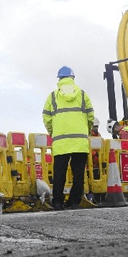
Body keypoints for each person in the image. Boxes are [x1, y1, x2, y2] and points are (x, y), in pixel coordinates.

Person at [43, 66, 94, 210]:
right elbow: (91, 116)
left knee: (59, 173)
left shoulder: (53, 96)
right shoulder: (83, 95)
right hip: (79, 141)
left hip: (61, 142)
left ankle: (58, 202)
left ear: (59, 79)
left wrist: (54, 132)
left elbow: (46, 118)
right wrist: (86, 132)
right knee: (78, 174)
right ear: (73, 78)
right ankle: (74, 202)